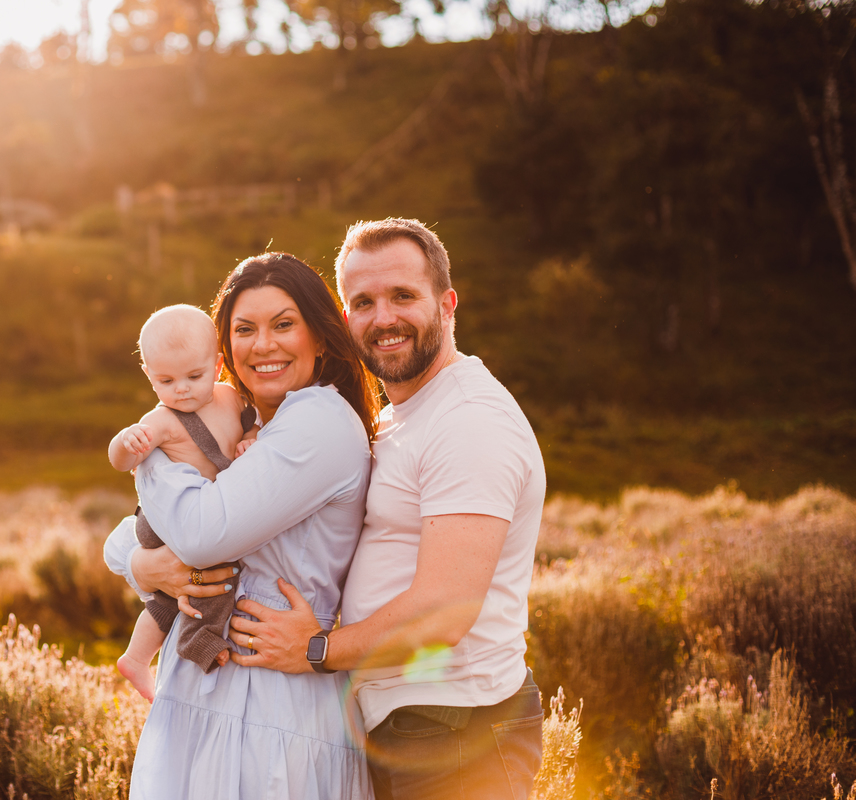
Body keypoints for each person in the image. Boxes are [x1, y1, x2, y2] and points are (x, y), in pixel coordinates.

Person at [227, 218, 547, 800]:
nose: (384, 317)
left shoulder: (469, 420)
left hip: (458, 727)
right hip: (414, 725)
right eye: (364, 302)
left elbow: (443, 613)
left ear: (446, 304)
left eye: (403, 296)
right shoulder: (403, 413)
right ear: (345, 319)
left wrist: (315, 650)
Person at [103, 252, 381, 799]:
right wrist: (143, 563)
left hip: (273, 702)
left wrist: (158, 445)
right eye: (244, 329)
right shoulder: (250, 427)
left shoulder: (318, 423)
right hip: (213, 698)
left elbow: (201, 534)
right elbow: (143, 536)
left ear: (320, 338)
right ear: (225, 348)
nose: (264, 344)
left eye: (284, 324)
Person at [107, 304, 258, 702]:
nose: (182, 389)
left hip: (201, 517)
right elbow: (120, 460)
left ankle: (137, 658)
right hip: (163, 523)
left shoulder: (229, 397)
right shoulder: (162, 420)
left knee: (173, 592)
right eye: (166, 380)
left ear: (219, 365)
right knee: (202, 580)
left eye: (194, 376)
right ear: (149, 376)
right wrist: (127, 444)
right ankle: (197, 638)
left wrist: (251, 438)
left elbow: (252, 422)